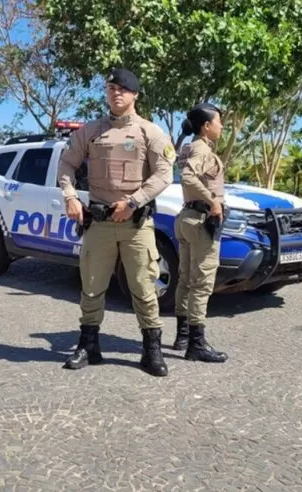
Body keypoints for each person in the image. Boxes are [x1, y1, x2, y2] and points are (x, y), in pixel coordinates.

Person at [57, 67, 175, 377]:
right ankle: (88, 345)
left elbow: (164, 175)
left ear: (135, 94)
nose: (116, 93)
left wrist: (134, 201)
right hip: (99, 223)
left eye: (122, 89)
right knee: (92, 287)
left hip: (136, 224)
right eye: (110, 88)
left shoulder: (151, 132)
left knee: (144, 287)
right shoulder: (91, 131)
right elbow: (66, 164)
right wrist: (70, 196)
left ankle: (151, 350)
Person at [171, 102, 229, 363]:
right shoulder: (201, 149)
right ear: (206, 126)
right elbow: (188, 176)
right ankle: (196, 344)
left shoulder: (188, 146)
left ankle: (182, 336)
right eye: (219, 121)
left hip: (186, 217)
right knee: (201, 283)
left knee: (185, 279)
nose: (222, 126)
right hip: (201, 220)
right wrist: (212, 201)